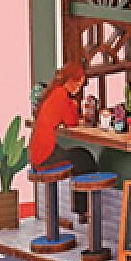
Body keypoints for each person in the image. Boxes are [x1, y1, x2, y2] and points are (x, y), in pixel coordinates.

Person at [28, 59, 97, 219]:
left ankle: (81, 209)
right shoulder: (61, 95)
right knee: (84, 158)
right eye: (79, 84)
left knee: (79, 155)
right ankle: (83, 210)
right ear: (70, 80)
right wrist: (74, 103)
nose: (79, 88)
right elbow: (71, 121)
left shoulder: (53, 92)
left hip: (38, 151)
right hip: (45, 155)